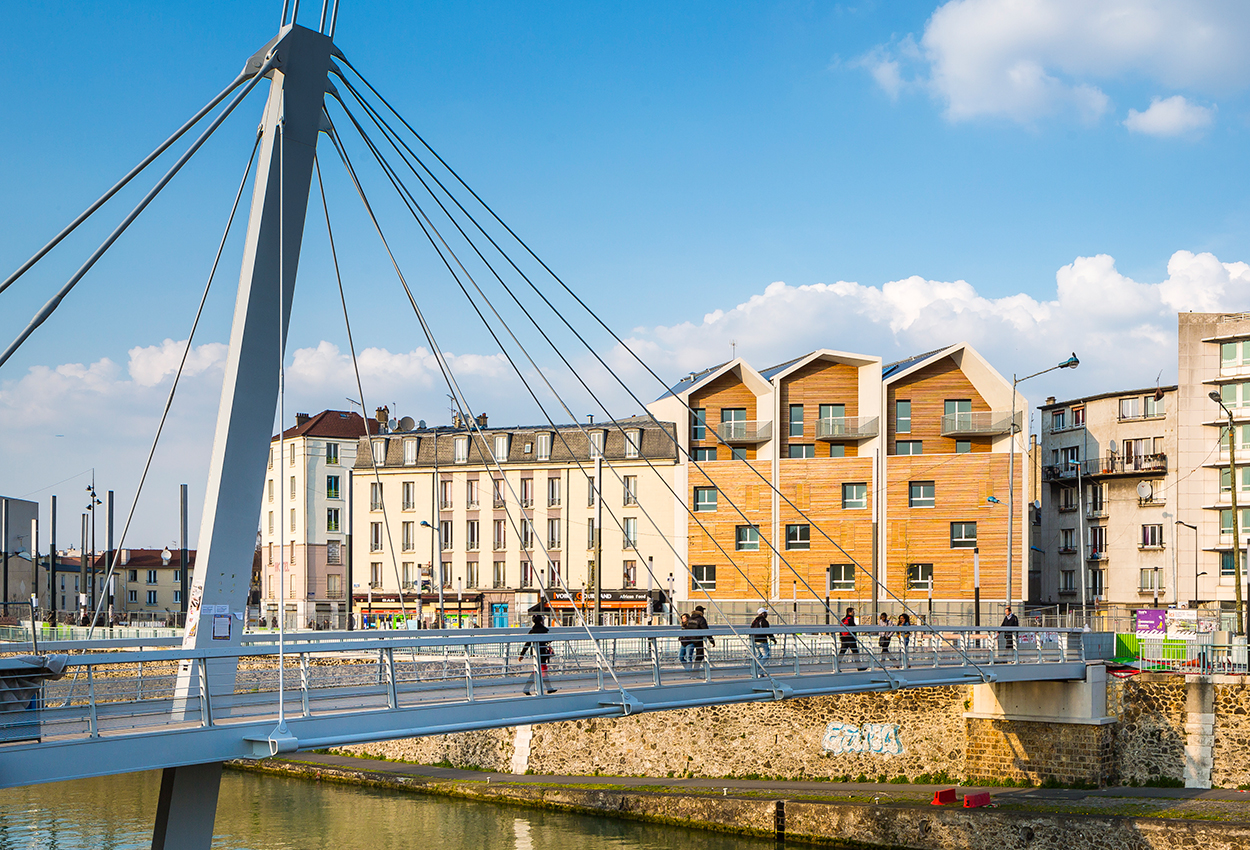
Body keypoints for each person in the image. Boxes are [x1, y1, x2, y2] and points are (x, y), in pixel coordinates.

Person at [519, 613, 557, 695]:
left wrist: (522, 654)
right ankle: (529, 688)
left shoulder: (532, 631)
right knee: (540, 670)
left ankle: (547, 688)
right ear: (541, 621)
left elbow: (527, 643)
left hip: (535, 653)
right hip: (542, 653)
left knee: (539, 670)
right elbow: (549, 640)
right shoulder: (544, 630)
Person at [685, 606, 711, 673]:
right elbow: (706, 630)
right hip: (698, 639)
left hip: (690, 639)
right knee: (700, 655)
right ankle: (695, 671)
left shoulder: (690, 618)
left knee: (689, 656)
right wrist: (711, 640)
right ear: (701, 611)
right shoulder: (701, 619)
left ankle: (690, 671)